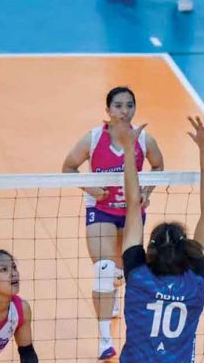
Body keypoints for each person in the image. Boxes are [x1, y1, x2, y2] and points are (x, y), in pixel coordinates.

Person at [62, 86, 164, 359]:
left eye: (129, 105)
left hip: (131, 212)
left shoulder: (145, 141)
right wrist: (90, 189)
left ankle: (115, 289)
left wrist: (147, 192)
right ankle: (104, 339)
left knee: (123, 272)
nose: (124, 111)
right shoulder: (94, 139)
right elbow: (68, 167)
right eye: (118, 105)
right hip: (102, 210)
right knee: (104, 269)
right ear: (108, 110)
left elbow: (159, 167)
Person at [115, 116, 204, 362]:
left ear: (150, 250)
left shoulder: (138, 275)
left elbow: (132, 206)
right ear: (186, 249)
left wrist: (129, 150)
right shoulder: (195, 281)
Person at [0, 250, 38, 362]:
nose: (13, 273)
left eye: (14, 267)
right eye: (4, 269)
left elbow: (27, 353)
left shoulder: (21, 309)